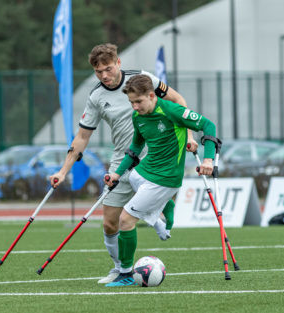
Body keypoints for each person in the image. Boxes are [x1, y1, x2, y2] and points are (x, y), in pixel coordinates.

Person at [49, 43, 198, 284]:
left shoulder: (143, 79)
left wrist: (189, 136)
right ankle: (119, 267)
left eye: (108, 69)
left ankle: (128, 271)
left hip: (155, 156)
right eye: (98, 72)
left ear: (118, 63)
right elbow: (82, 136)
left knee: (127, 219)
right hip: (121, 159)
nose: (104, 76)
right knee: (109, 223)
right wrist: (63, 171)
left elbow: (178, 100)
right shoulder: (96, 96)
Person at [104, 74, 217, 287]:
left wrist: (208, 159)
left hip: (166, 177)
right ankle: (165, 204)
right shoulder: (138, 117)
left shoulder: (172, 111)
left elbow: (208, 125)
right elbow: (136, 147)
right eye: (131, 102)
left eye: (138, 101)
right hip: (145, 170)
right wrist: (117, 173)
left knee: (125, 220)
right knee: (133, 176)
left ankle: (126, 273)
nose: (135, 107)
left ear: (151, 95)